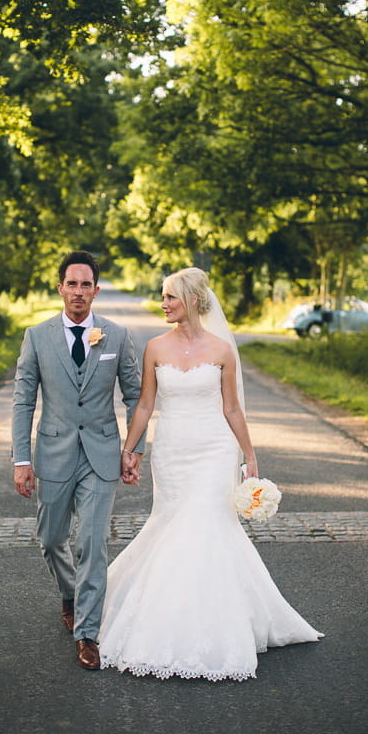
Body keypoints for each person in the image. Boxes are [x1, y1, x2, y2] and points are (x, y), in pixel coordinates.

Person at [99, 267, 323, 680]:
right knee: (169, 525)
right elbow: (145, 405)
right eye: (163, 296)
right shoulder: (154, 348)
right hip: (172, 451)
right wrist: (129, 450)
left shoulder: (222, 350)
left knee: (206, 526)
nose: (163, 303)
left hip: (214, 450)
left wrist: (249, 455)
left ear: (193, 301)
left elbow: (232, 408)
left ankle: (216, 627)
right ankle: (166, 614)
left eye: (170, 297)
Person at [12, 250, 145, 671]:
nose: (78, 292)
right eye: (72, 283)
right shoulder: (37, 336)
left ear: (96, 291)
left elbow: (136, 397)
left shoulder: (117, 335)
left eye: (86, 284)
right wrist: (21, 458)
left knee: (91, 541)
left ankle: (87, 632)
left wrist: (134, 449)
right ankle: (70, 594)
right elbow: (22, 401)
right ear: (60, 288)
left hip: (101, 454)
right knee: (51, 540)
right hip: (52, 451)